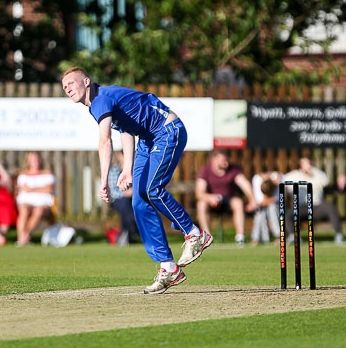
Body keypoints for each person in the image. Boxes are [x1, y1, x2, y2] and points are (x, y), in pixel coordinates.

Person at [61, 67, 212, 294]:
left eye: (72, 83)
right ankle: (168, 267)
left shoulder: (101, 99)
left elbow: (105, 141)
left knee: (152, 189)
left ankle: (194, 233)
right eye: (64, 87)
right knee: (139, 201)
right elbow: (125, 129)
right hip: (147, 140)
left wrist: (103, 180)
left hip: (167, 130)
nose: (68, 88)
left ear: (86, 81)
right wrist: (127, 169)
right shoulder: (97, 104)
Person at [195, 149, 258, 245]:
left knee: (238, 202)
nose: (226, 163)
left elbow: (244, 184)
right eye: (222, 160)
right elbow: (199, 193)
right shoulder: (205, 170)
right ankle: (207, 238)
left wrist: (252, 199)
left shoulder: (233, 170)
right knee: (201, 204)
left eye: (227, 160)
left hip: (229, 200)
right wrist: (210, 197)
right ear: (214, 160)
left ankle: (240, 237)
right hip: (212, 201)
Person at [283, 157, 345, 245]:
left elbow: (326, 180)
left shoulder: (317, 174)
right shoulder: (293, 176)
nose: (307, 166)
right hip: (302, 208)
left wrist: (311, 172)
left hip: (317, 207)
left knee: (329, 205)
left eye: (309, 164)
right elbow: (280, 180)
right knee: (287, 213)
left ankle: (339, 235)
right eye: (304, 164)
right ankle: (294, 237)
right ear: (300, 165)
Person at [15, 151, 55, 247]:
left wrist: (31, 189)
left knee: (38, 210)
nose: (35, 161)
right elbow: (22, 189)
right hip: (26, 202)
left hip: (43, 203)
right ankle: (22, 238)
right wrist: (40, 189)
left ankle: (23, 237)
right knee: (24, 211)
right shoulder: (23, 174)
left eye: (36, 159)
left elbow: (48, 189)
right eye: (32, 159)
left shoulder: (46, 173)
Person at [108, 151, 140, 245]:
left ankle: (127, 232)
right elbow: (113, 192)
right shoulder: (114, 171)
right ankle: (132, 230)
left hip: (134, 199)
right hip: (121, 200)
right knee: (124, 203)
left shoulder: (136, 170)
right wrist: (126, 193)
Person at [251, 170, 282, 245]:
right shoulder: (257, 179)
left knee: (272, 208)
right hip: (262, 207)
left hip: (277, 207)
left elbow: (277, 199)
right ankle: (256, 238)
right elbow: (260, 202)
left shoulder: (279, 180)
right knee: (260, 212)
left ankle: (278, 236)